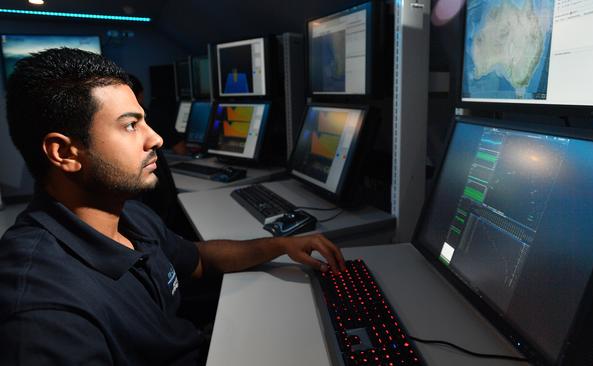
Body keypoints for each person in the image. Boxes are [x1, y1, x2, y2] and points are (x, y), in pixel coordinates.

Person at [0, 48, 345, 365]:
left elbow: (198, 260)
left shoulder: (128, 215)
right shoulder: (44, 314)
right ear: (65, 153)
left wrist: (281, 245)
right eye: (131, 125)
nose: (156, 139)